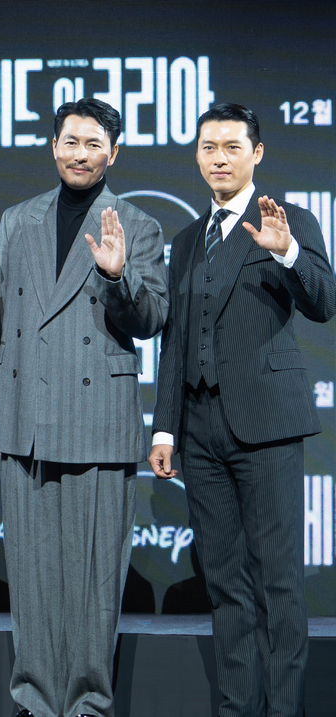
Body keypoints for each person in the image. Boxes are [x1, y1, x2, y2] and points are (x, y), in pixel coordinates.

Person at [150, 103, 335, 717]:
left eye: (232, 146)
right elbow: (175, 341)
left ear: (257, 153)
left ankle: (284, 710)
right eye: (209, 147)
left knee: (278, 584)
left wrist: (286, 255)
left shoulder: (286, 219)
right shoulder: (186, 240)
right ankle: (238, 708)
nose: (219, 158)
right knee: (226, 585)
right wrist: (165, 427)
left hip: (268, 427)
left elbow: (323, 300)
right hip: (200, 435)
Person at [0, 98, 168, 717]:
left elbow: (150, 319)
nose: (79, 153)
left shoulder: (137, 225)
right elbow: (3, 317)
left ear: (113, 152)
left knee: (92, 582)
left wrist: (118, 278)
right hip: (25, 414)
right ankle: (34, 700)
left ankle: (89, 703)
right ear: (53, 145)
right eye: (69, 141)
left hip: (97, 416)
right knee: (32, 579)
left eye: (93, 143)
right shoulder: (17, 220)